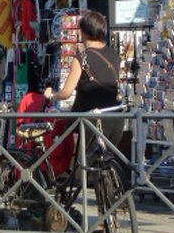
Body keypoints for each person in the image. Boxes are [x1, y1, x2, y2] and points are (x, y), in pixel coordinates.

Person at [44, 10, 122, 146]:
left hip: (93, 121)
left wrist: (52, 96)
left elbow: (66, 93)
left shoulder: (82, 58)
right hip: (115, 118)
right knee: (109, 161)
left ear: (85, 31)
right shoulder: (114, 54)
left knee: (86, 163)